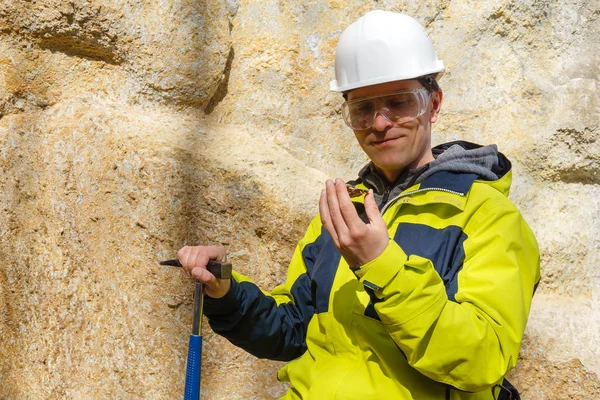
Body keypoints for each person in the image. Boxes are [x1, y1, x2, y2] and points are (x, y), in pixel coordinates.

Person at [176, 10, 540, 400]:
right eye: (362, 108)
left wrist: (381, 265)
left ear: (433, 104)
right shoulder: (345, 211)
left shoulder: (490, 217)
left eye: (399, 102)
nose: (379, 123)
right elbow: (294, 329)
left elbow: (481, 359)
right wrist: (226, 292)